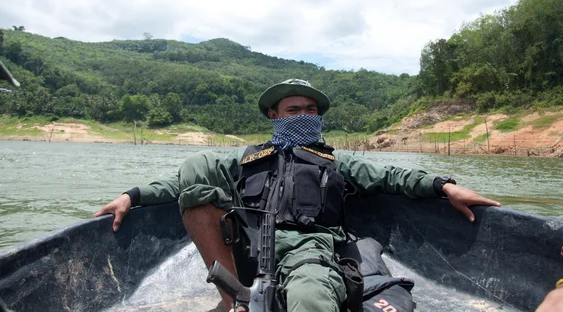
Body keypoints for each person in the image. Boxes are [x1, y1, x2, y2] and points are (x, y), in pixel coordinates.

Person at [95, 79, 501, 312]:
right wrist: (132, 196)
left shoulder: (335, 162)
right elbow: (181, 185)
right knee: (196, 167)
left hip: (309, 248)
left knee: (310, 299)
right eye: (294, 110)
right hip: (247, 247)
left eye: (311, 109)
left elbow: (391, 176)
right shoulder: (247, 158)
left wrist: (444, 185)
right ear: (274, 115)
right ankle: (233, 300)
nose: (305, 115)